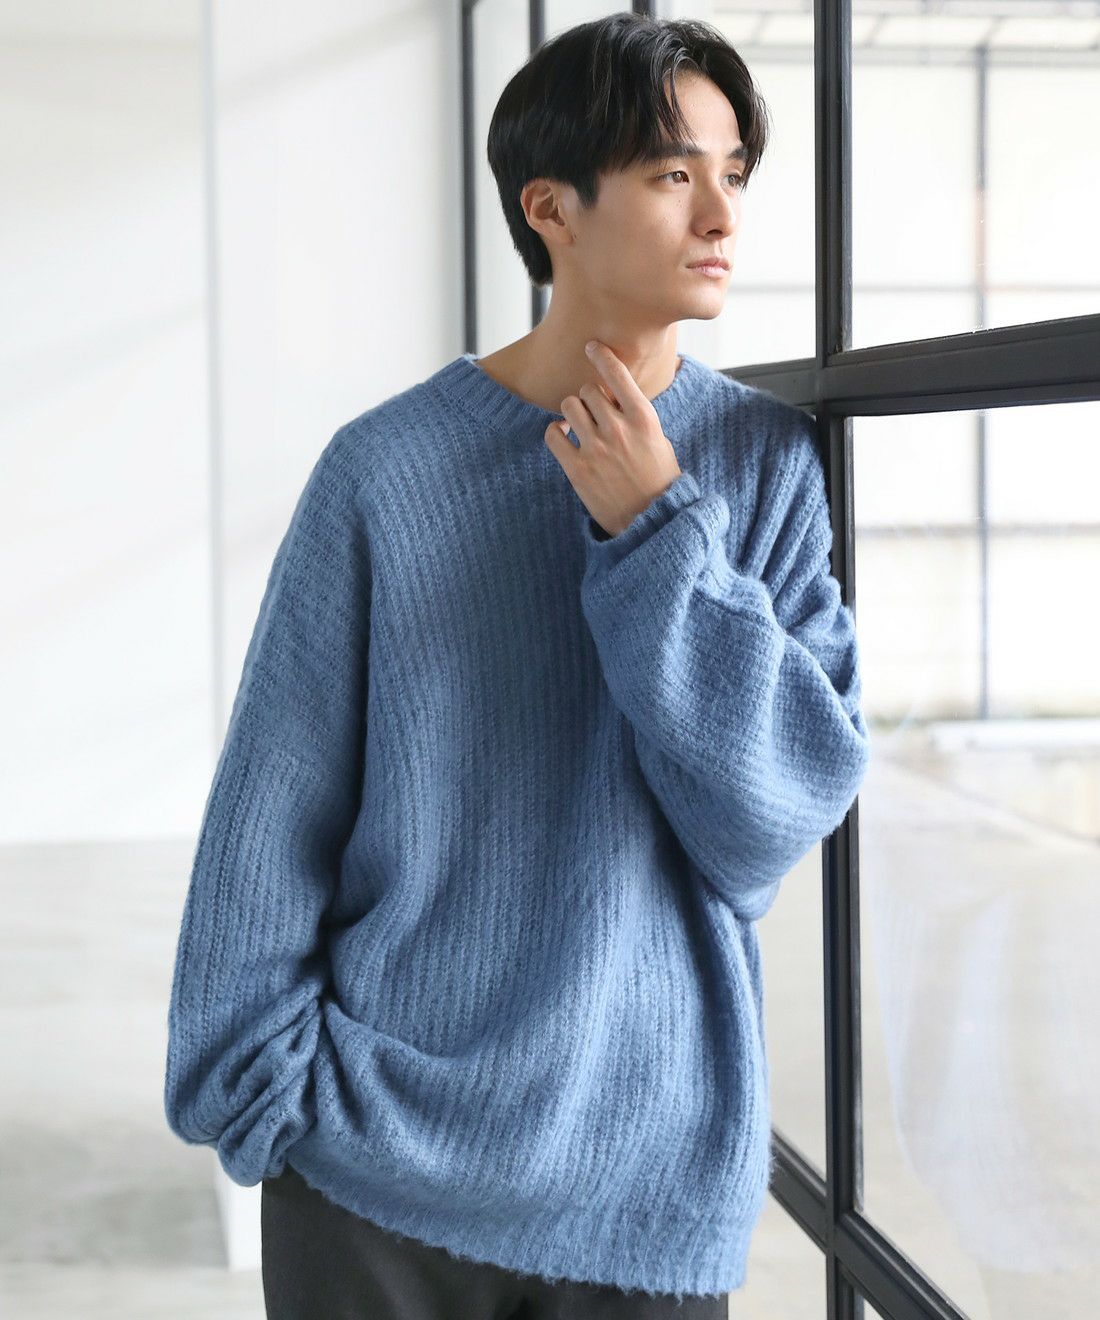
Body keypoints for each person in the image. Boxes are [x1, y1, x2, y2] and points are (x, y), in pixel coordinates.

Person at [164, 13, 872, 1318]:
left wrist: (656, 529)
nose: (722, 212)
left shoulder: (764, 466)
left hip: (646, 1187)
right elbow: (274, 808)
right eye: (673, 174)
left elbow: (767, 823)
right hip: (372, 1176)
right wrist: (263, 1096)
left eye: (734, 173)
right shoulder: (386, 471)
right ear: (551, 209)